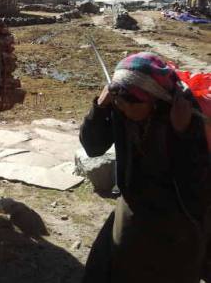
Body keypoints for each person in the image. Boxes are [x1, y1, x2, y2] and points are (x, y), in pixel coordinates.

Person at [80, 52, 211, 283]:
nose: (123, 106)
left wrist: (184, 134)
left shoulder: (185, 115)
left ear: (156, 98)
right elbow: (93, 147)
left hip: (179, 217)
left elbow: (197, 184)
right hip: (134, 202)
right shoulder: (122, 102)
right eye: (119, 99)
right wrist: (100, 108)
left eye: (132, 102)